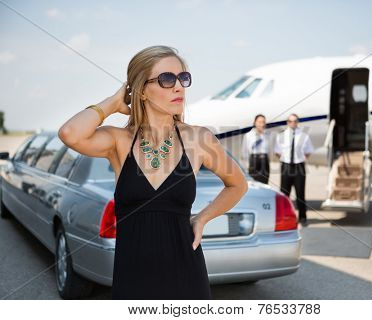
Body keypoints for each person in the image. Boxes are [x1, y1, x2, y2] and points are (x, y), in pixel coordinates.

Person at [58, 45, 248, 299]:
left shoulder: (198, 138)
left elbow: (237, 185)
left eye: (183, 78)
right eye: (167, 79)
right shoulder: (120, 141)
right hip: (132, 279)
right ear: (142, 91)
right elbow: (70, 133)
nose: (179, 87)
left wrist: (202, 218)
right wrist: (112, 104)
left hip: (186, 277)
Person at [274, 113, 314, 226]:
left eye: (295, 121)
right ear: (287, 122)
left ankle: (302, 218)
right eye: (290, 121)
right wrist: (285, 160)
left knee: (300, 194)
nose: (293, 123)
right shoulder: (281, 136)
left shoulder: (304, 136)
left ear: (298, 122)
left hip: (299, 166)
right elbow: (277, 151)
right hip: (286, 166)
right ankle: (283, 217)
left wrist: (299, 159)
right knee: (284, 193)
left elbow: (308, 151)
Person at [241, 114, 273, 184]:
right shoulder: (248, 135)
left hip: (264, 161)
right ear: (255, 123)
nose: (261, 124)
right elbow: (244, 151)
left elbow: (270, 150)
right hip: (253, 161)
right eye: (259, 122)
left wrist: (267, 160)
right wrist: (248, 165)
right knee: (253, 183)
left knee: (264, 184)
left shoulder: (268, 135)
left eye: (263, 122)